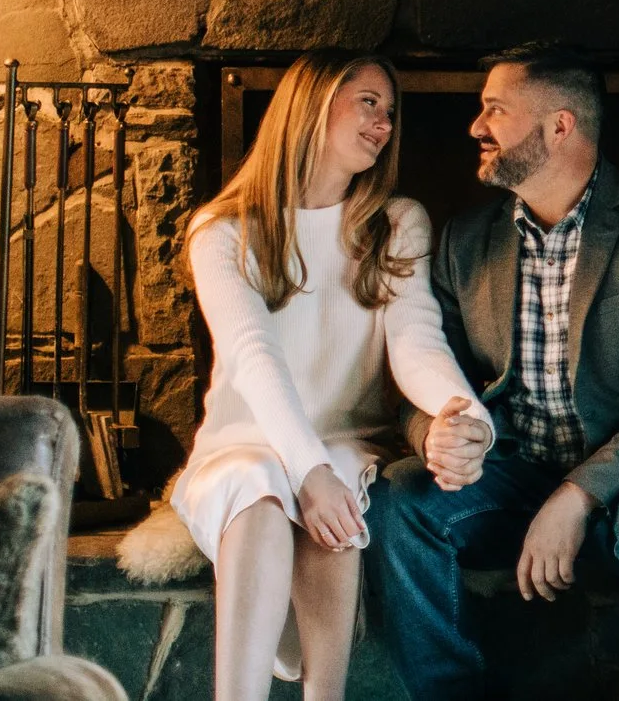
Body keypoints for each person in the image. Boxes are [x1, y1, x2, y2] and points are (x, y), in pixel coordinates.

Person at [367, 41, 619, 701]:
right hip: (513, 472)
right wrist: (435, 433)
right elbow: (424, 376)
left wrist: (577, 495)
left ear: (560, 125)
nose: (476, 127)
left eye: (495, 110)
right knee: (401, 494)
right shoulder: (465, 239)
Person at [167, 51, 492, 701]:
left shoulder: (397, 223)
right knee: (258, 493)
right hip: (244, 440)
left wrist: (465, 413)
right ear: (310, 103)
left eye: (390, 111)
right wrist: (304, 468)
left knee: (338, 496)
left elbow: (416, 338)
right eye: (368, 101)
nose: (383, 123)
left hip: (347, 440)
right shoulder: (222, 231)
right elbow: (254, 352)